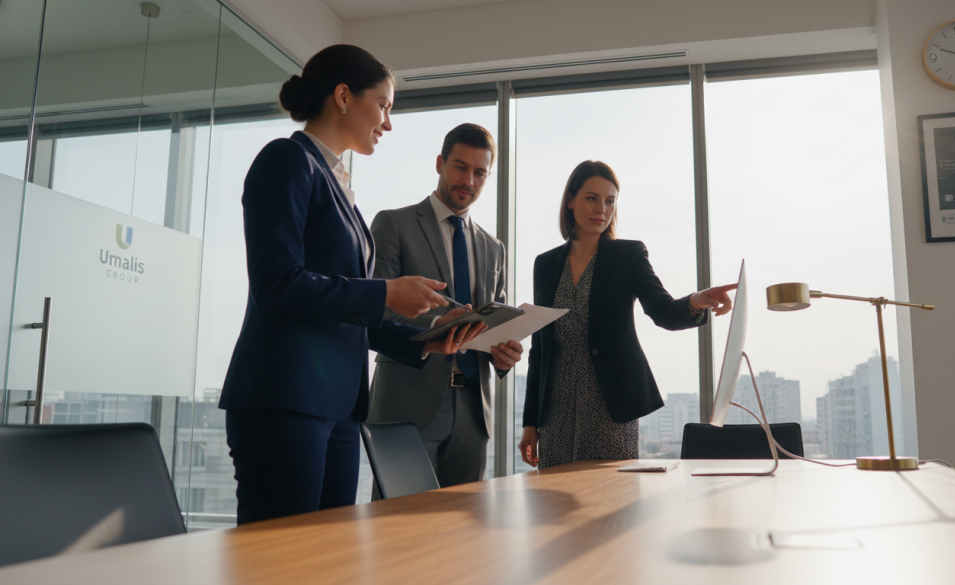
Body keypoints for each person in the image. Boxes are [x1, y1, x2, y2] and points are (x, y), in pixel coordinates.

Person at [218, 45, 484, 525]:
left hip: (339, 407)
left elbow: (347, 315)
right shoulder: (286, 161)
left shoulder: (338, 183)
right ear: (343, 96)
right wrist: (386, 293)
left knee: (328, 559)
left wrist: (427, 340)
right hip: (285, 399)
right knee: (280, 563)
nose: (387, 122)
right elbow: (277, 285)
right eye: (383, 105)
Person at [517, 161, 737, 469]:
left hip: (609, 406)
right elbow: (539, 349)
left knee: (609, 501)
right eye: (592, 198)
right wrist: (531, 422)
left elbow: (663, 311)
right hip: (556, 409)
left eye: (610, 201)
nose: (602, 209)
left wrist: (697, 301)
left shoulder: (628, 255)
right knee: (554, 504)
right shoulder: (545, 263)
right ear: (570, 200)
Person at [368, 123, 523, 487]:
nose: (468, 179)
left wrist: (504, 354)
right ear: (440, 163)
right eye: (460, 166)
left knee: (465, 534)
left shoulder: (493, 247)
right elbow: (374, 309)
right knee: (400, 529)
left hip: (473, 411)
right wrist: (440, 325)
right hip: (408, 404)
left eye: (480, 172)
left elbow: (491, 322)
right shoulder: (394, 224)